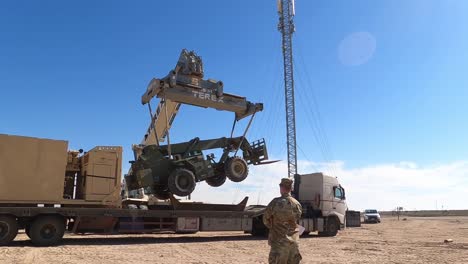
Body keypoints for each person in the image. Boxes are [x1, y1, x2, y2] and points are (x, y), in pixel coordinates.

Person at [263, 178, 303, 264]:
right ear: (290, 188)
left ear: (281, 187)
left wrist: (274, 227)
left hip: (279, 244)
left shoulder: (275, 202)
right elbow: (297, 220)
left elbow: (265, 219)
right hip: (294, 245)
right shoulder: (297, 204)